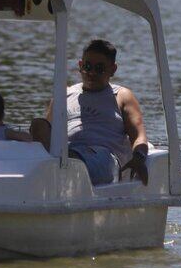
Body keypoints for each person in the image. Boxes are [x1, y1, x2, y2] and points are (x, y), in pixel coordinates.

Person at [30, 39, 149, 185]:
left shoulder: (121, 96)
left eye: (99, 68)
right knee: (38, 125)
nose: (91, 73)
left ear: (113, 69)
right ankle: (57, 172)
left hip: (104, 158)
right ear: (80, 66)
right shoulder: (64, 95)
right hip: (65, 152)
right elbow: (48, 135)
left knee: (71, 159)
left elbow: (139, 136)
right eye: (87, 66)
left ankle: (65, 168)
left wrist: (138, 158)